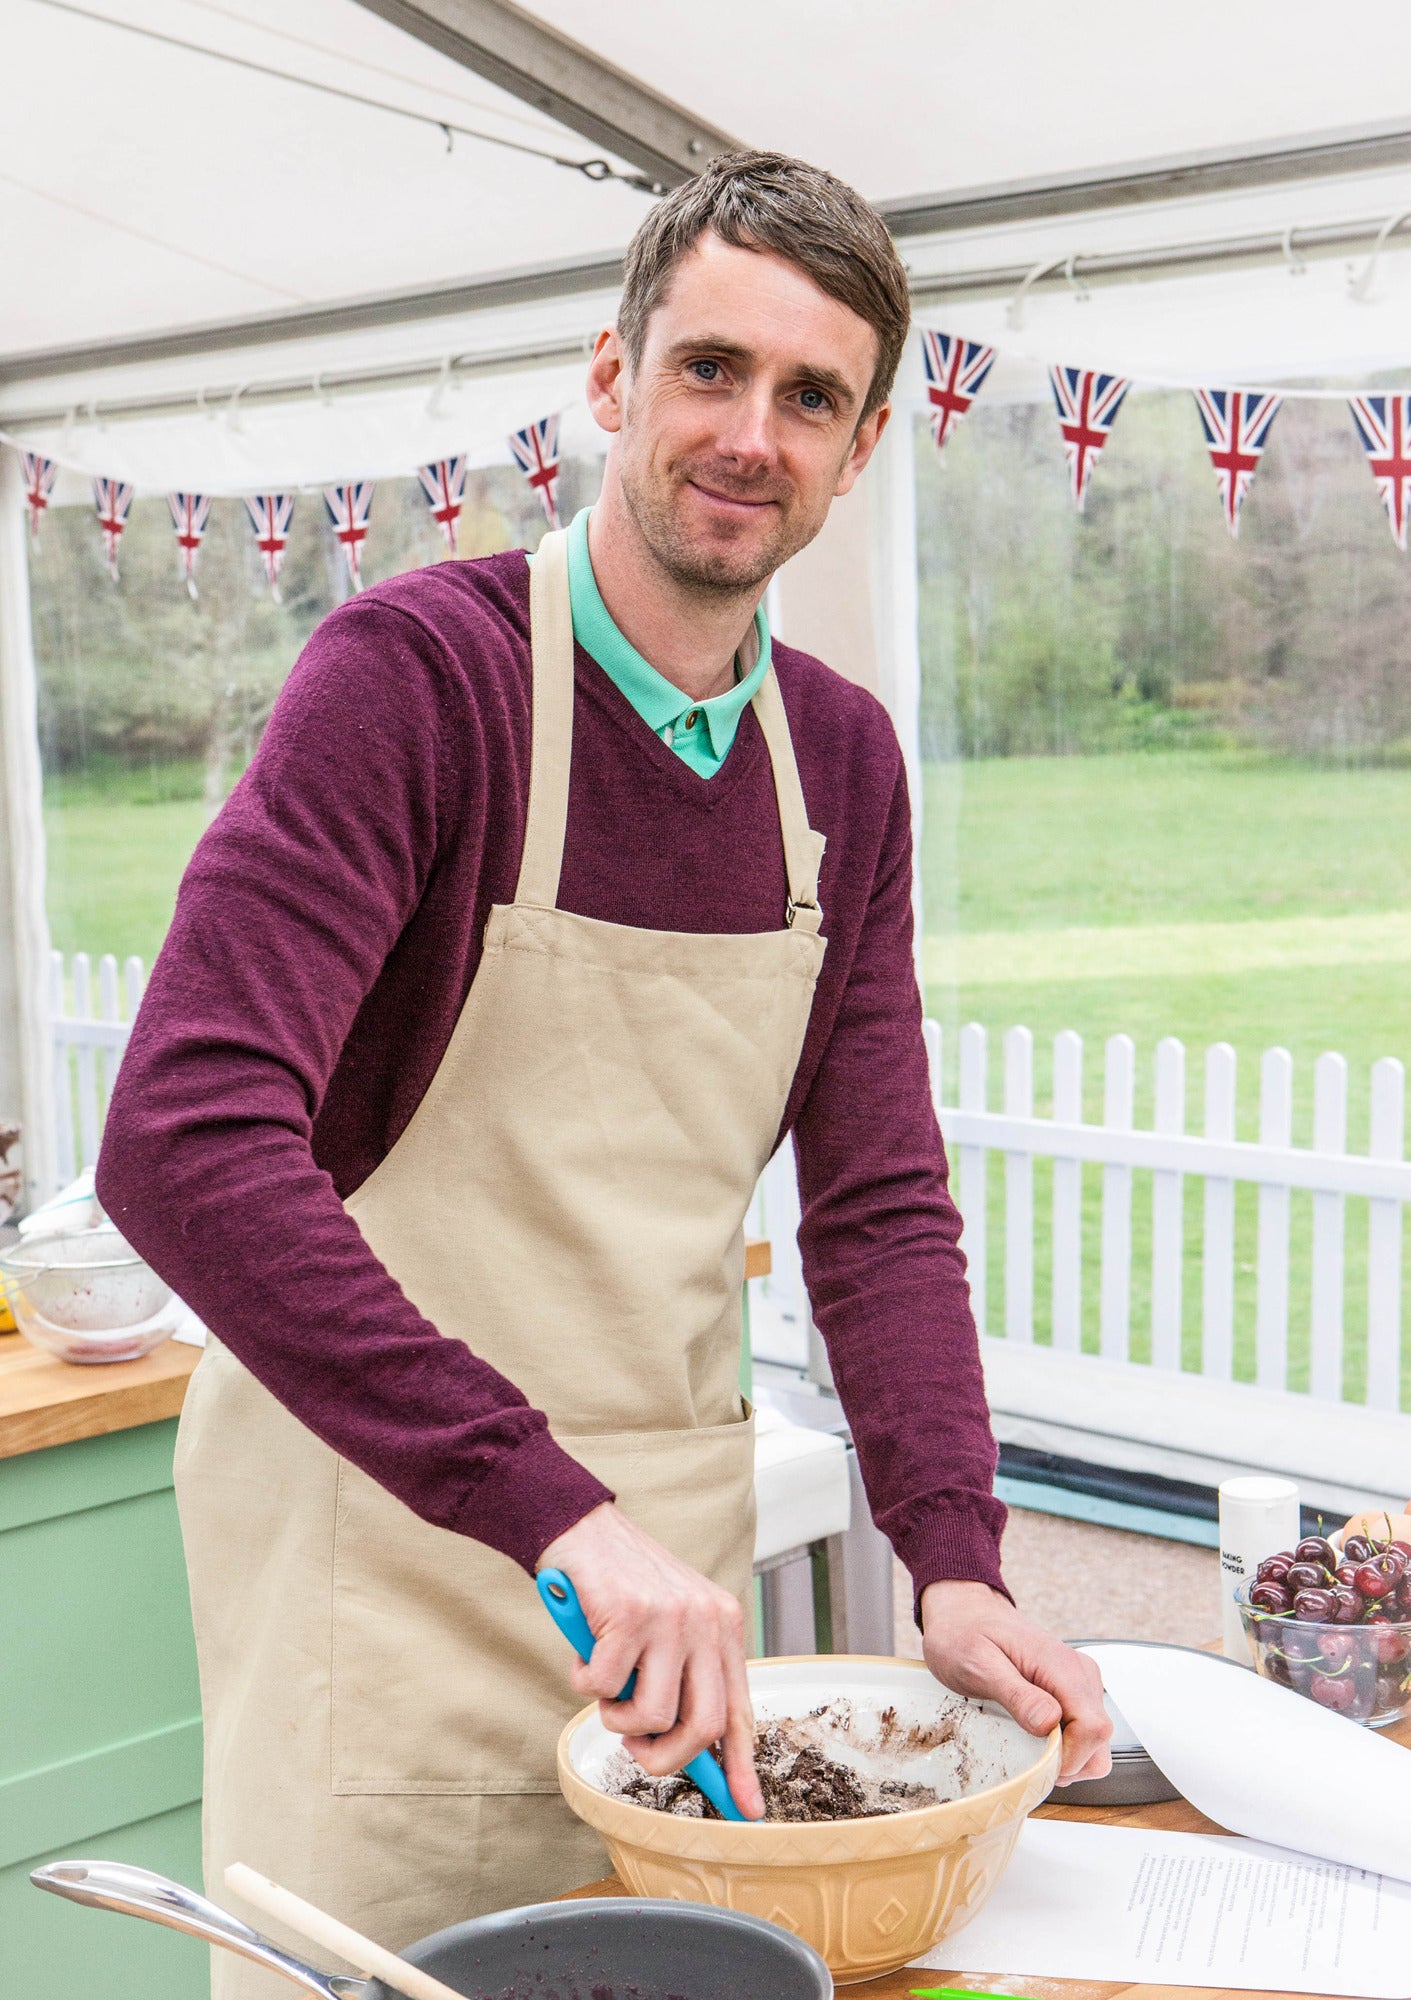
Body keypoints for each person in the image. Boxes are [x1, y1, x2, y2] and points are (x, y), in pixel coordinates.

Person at [97, 149, 1110, 1994]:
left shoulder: (846, 766)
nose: (751, 434)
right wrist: (548, 1504)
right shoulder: (415, 683)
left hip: (675, 1611)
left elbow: (877, 1207)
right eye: (711, 368)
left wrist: (951, 1555)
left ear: (865, 443)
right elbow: (182, 1137)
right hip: (384, 1574)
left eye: (811, 397)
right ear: (610, 374)